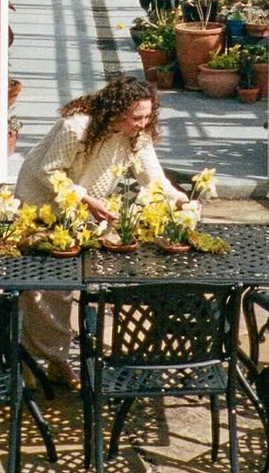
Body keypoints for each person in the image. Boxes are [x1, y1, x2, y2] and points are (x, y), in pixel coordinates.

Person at [15, 74, 189, 385]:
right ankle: (32, 362)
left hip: (80, 211)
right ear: (116, 111)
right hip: (41, 202)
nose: (143, 122)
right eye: (137, 117)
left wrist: (179, 199)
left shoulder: (137, 136)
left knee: (64, 288)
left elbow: (154, 178)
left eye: (148, 116)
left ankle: (54, 360)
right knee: (40, 287)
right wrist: (86, 199)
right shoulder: (76, 128)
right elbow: (48, 170)